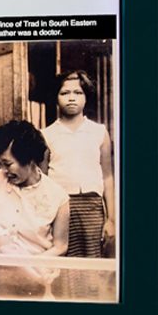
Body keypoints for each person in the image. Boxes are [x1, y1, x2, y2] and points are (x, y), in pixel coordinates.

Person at [0, 120, 70, 295]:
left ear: (29, 158)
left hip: (33, 276)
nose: (3, 170)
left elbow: (60, 246)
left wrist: (29, 265)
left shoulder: (58, 196)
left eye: (7, 164)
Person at [42, 70, 115, 259]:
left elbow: (107, 177)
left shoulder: (99, 132)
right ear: (56, 97)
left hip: (92, 208)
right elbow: (43, 181)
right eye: (64, 93)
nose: (71, 98)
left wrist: (112, 219)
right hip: (61, 207)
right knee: (64, 258)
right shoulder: (47, 135)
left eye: (78, 92)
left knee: (93, 260)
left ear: (86, 96)